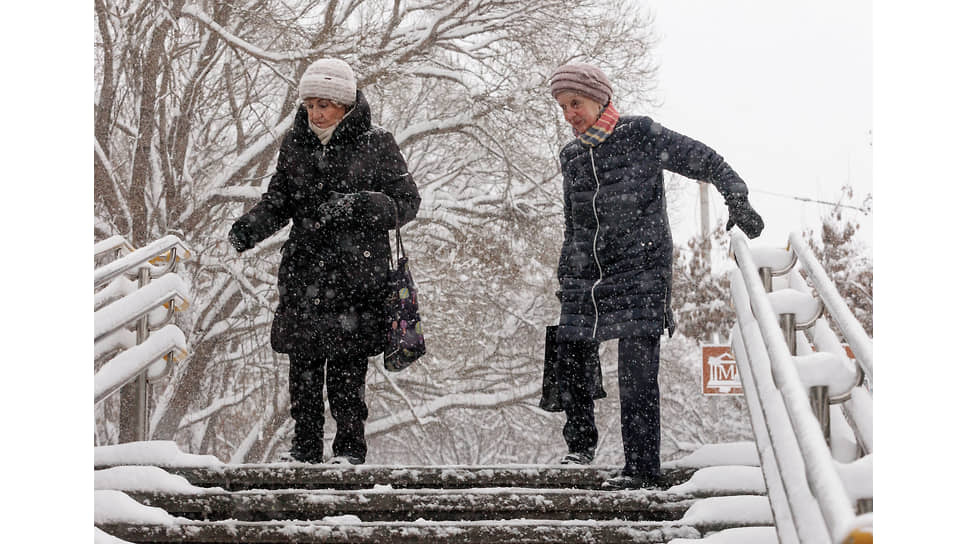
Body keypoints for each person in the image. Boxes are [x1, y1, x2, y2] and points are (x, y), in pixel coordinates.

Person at [548, 63, 763, 489]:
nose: (570, 114)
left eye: (576, 103)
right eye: (563, 106)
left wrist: (737, 199)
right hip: (587, 272)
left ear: (599, 98)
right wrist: (566, 268)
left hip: (641, 269)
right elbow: (574, 220)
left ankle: (641, 469)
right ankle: (580, 446)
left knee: (636, 372)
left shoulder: (639, 135)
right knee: (569, 348)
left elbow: (705, 158)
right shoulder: (572, 156)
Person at [229, 58, 421, 464]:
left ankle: (349, 452)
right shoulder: (295, 142)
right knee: (303, 370)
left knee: (348, 372)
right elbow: (279, 200)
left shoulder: (378, 142)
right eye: (310, 103)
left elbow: (407, 203)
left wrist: (361, 205)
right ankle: (304, 451)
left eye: (324, 104)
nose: (315, 112)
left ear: (346, 105)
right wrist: (248, 229)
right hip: (305, 273)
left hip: (357, 277)